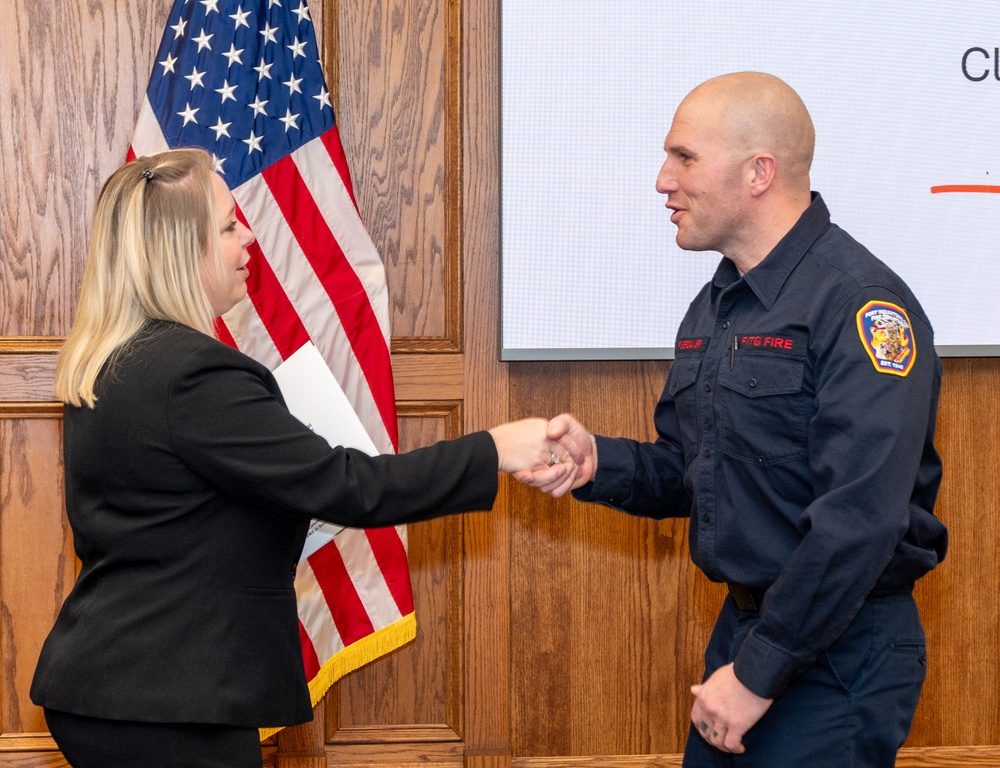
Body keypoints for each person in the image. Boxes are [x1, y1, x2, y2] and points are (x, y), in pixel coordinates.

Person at [29, 148, 582, 768]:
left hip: (122, 683)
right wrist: (495, 449)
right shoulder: (193, 374)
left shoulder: (114, 360)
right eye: (230, 225)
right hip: (168, 700)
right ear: (184, 250)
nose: (251, 236)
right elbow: (350, 487)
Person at [518, 72, 947, 767]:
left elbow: (860, 519)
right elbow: (696, 473)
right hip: (751, 633)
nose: (663, 179)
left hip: (837, 649)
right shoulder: (719, 304)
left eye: (684, 157)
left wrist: (757, 673)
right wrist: (599, 462)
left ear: (759, 172)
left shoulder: (862, 306)